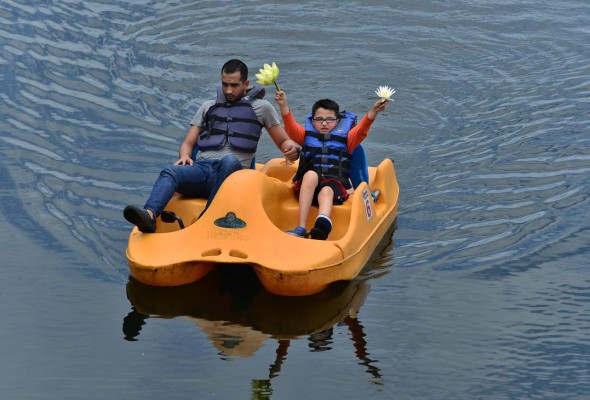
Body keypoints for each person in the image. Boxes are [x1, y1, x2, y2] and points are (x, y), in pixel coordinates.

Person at [124, 59, 300, 233]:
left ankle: (206, 219)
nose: (228, 90)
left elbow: (283, 141)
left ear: (246, 84)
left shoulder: (262, 108)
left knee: (229, 161)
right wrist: (185, 155)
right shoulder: (208, 106)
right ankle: (149, 215)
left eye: (234, 85)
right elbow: (188, 143)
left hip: (234, 178)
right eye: (225, 85)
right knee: (171, 171)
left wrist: (292, 149)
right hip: (202, 171)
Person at [274, 89, 387, 240]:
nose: (324, 123)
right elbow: (290, 128)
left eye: (329, 119)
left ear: (338, 121)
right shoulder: (306, 136)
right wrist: (283, 105)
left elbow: (362, 130)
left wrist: (374, 111)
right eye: (319, 119)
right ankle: (301, 227)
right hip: (307, 187)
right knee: (310, 174)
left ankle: (322, 225)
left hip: (334, 186)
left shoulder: (348, 139)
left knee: (326, 191)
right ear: (313, 121)